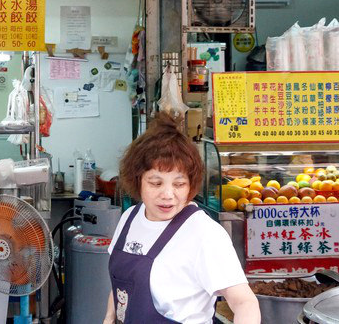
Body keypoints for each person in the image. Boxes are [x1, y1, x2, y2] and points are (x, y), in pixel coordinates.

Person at [104, 113, 260, 324]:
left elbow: (244, 303)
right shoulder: (129, 219)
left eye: (178, 184)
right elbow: (121, 287)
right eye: (156, 183)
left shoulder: (204, 233)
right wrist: (108, 319)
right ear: (137, 180)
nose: (168, 194)